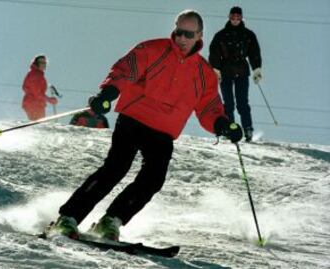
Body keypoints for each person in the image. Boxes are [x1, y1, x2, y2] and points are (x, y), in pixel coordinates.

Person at [51, 10, 243, 241]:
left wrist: (223, 125)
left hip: (163, 131)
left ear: (200, 35)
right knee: (116, 167)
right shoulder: (153, 49)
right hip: (134, 118)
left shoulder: (204, 73)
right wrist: (108, 93)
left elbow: (209, 107)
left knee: (153, 179)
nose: (182, 39)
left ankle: (111, 221)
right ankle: (69, 217)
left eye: (188, 34)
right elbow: (125, 71)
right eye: (179, 32)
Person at [209, 6, 262, 142]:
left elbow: (254, 53)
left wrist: (256, 69)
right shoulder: (221, 35)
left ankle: (248, 129)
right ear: (229, 17)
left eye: (238, 17)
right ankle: (230, 129)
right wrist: (215, 69)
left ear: (241, 18)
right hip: (225, 71)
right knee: (228, 103)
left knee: (242, 102)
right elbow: (214, 53)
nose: (235, 20)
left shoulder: (248, 35)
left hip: (242, 72)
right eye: (233, 17)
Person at [22, 55, 58, 120]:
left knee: (39, 124)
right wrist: (49, 99)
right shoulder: (35, 74)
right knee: (38, 124)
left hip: (36, 103)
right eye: (41, 62)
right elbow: (37, 92)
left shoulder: (37, 74)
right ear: (36, 63)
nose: (43, 64)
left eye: (45, 63)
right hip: (33, 103)